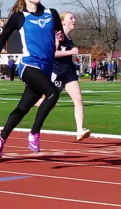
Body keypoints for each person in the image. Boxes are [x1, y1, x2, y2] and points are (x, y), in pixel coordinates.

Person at [0, 0, 63, 158]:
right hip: (28, 65)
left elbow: (60, 35)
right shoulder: (19, 17)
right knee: (53, 93)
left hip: (45, 68)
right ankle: (34, 133)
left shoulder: (51, 13)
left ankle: (1, 135)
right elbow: (4, 35)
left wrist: (62, 39)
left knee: (23, 108)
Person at [33, 11, 91, 141]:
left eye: (74, 17)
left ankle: (79, 130)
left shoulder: (69, 36)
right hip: (57, 73)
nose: (74, 20)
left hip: (69, 73)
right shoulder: (58, 35)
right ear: (63, 22)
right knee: (51, 104)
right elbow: (52, 53)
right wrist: (71, 52)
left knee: (78, 99)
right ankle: (31, 102)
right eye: (71, 18)